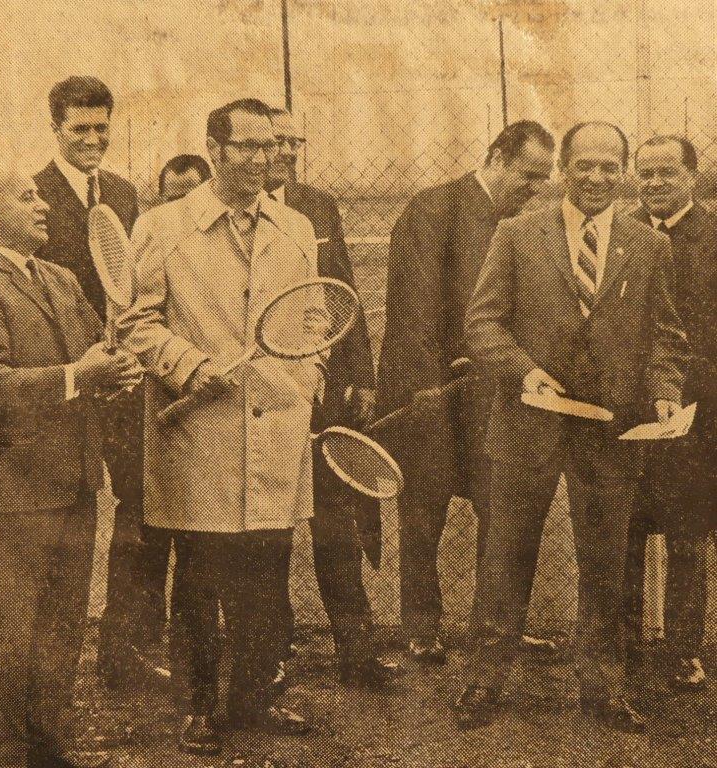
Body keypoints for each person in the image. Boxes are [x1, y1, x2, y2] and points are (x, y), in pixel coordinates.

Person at [454, 122, 688, 733]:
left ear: (626, 172)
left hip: (609, 430)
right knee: (506, 553)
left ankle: (604, 688)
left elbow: (666, 334)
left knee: (607, 560)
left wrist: (665, 395)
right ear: (563, 168)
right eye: (584, 165)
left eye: (610, 167)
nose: (596, 178)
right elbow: (483, 325)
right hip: (527, 422)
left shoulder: (647, 245)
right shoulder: (516, 234)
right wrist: (525, 371)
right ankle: (485, 680)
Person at [119, 98, 320, 756]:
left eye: (273, 147)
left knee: (265, 579)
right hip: (196, 437)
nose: (266, 158)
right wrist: (189, 365)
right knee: (201, 583)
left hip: (275, 438)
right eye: (250, 146)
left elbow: (315, 322)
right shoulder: (160, 227)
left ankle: (256, 700)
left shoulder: (294, 227)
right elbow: (135, 325)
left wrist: (304, 383)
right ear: (215, 148)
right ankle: (201, 706)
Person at [0, 159, 142, 768]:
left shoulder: (60, 278)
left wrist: (115, 371)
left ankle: (47, 750)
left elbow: (96, 352)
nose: (41, 204)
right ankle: (4, 756)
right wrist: (77, 376)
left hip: (72, 485)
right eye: (24, 194)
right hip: (8, 494)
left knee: (59, 631)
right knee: (8, 638)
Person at [376, 120, 555, 663]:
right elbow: (414, 312)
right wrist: (429, 388)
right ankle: (421, 626)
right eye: (528, 175)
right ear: (498, 157)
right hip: (432, 392)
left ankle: (496, 629)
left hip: (495, 394)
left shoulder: (524, 223)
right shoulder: (433, 208)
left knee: (504, 511)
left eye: (544, 179)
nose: (535, 188)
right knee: (423, 511)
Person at [33, 76, 163, 689]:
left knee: (142, 513)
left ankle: (125, 654)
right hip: (69, 385)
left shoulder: (124, 194)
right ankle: (45, 665)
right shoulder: (30, 196)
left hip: (127, 382)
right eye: (79, 128)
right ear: (55, 127)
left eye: (101, 128)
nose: (92, 139)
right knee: (65, 518)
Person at [265, 107, 398, 688]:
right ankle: (269, 652)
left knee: (338, 526)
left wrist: (360, 377)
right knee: (265, 530)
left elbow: (347, 300)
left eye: (297, 141)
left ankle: (358, 650)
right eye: (277, 141)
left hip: (324, 396)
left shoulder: (316, 205)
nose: (288, 151)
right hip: (262, 392)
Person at [625, 135, 717, 690]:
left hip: (701, 415)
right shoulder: (621, 234)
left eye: (667, 173)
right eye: (647, 174)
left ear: (692, 175)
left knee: (688, 536)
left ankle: (683, 650)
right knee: (626, 531)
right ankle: (626, 644)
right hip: (633, 411)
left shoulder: (712, 237)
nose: (656, 184)